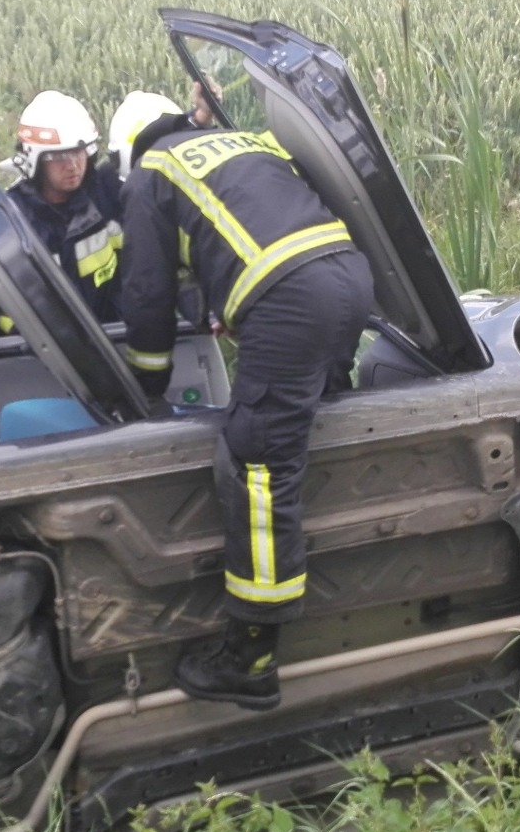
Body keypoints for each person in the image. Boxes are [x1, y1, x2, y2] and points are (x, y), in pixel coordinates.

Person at [117, 101, 375, 711]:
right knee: (316, 427)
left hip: (290, 299)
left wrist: (143, 392)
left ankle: (252, 656)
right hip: (348, 276)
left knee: (256, 465)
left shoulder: (152, 170)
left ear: (128, 147)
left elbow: (146, 292)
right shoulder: (236, 143)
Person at [0, 91, 127, 332]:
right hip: (44, 358)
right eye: (60, 156)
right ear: (35, 159)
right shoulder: (10, 220)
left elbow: (148, 161)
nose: (73, 165)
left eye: (78, 152)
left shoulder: (104, 194)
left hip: (110, 347)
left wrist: (197, 120)